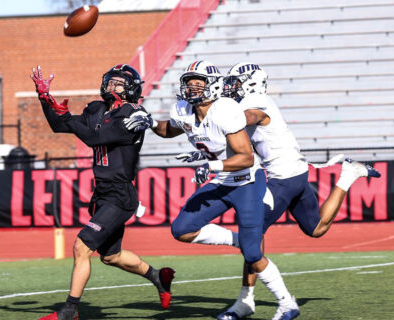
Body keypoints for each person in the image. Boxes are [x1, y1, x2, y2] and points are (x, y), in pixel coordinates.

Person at [124, 60, 297, 320]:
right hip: (222, 180)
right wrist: (149, 122)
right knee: (182, 229)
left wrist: (211, 165)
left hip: (246, 181)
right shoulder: (183, 109)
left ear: (213, 85)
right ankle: (241, 240)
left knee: (253, 253)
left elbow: (246, 157)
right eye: (189, 82)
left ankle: (287, 304)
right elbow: (169, 130)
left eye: (198, 82)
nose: (191, 88)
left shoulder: (225, 109)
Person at [214, 62, 382, 320]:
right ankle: (348, 175)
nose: (230, 87)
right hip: (295, 172)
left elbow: (250, 118)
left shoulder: (256, 100)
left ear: (250, 82)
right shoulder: (250, 101)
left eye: (236, 82)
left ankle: (248, 300)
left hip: (283, 177)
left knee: (251, 232)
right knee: (316, 229)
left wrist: (216, 120)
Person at [30, 64, 175, 320]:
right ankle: (158, 276)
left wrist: (65, 116)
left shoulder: (133, 113)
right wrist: (45, 99)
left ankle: (69, 310)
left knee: (81, 246)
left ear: (131, 89)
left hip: (120, 195)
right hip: (102, 194)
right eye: (111, 81)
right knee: (111, 256)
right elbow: (59, 126)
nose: (112, 87)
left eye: (119, 83)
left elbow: (94, 139)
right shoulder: (97, 108)